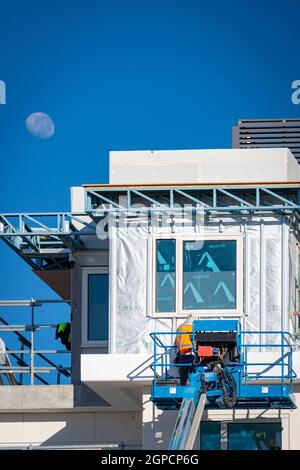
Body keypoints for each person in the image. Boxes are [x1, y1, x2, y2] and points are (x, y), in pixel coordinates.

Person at [175, 314, 195, 385]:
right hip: (192, 354)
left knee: (183, 375)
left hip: (182, 353)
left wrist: (180, 349)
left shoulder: (180, 326)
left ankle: (182, 387)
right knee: (194, 374)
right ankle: (193, 387)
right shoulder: (195, 326)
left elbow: (177, 340)